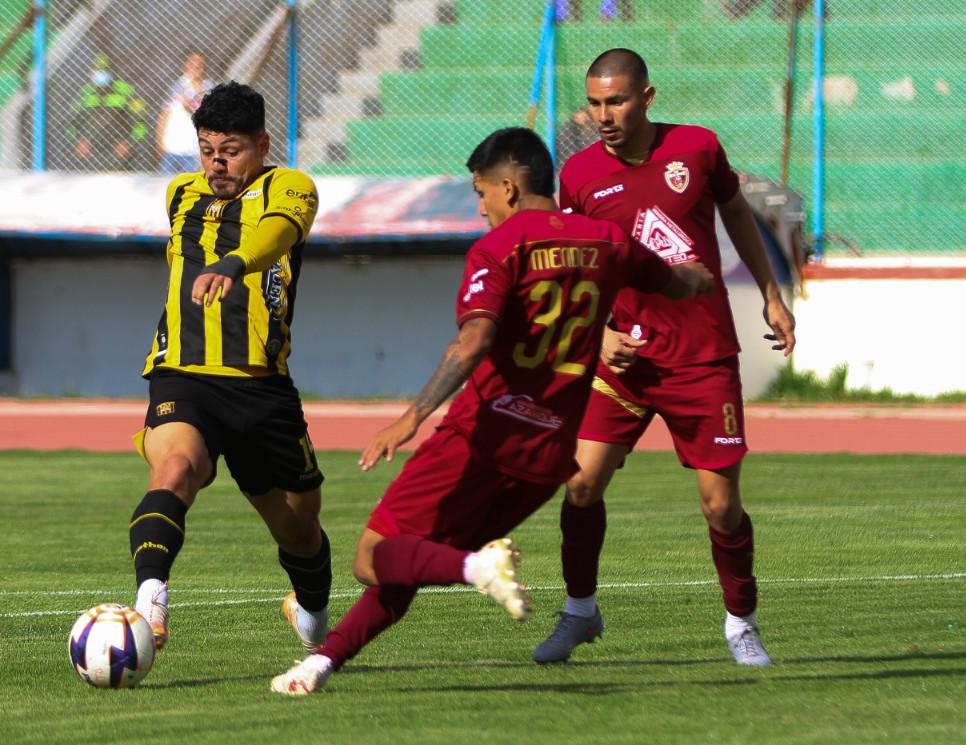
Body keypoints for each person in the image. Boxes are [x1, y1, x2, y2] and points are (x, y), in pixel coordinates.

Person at [269, 127, 714, 696]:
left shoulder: (502, 246)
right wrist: (703, 281)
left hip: (479, 438)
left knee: (372, 558)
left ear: (508, 186)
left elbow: (472, 342)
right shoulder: (609, 241)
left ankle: (478, 569)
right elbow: (676, 279)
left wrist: (413, 416)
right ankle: (318, 665)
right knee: (409, 564)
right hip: (545, 457)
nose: (480, 208)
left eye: (481, 194)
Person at [532, 48, 797, 667]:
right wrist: (595, 335)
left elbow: (735, 211)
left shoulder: (699, 148)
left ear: (647, 98)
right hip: (621, 361)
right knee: (580, 483)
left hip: (701, 358)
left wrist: (770, 293)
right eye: (595, 103)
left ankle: (741, 623)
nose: (604, 114)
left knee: (721, 505)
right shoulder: (578, 175)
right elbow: (573, 264)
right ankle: (579, 611)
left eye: (616, 101)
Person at [128, 81, 332, 658]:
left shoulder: (289, 188)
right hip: (182, 374)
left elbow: (278, 236)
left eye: (232, 149)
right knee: (175, 469)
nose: (217, 163)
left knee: (299, 530)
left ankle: (313, 611)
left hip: (262, 390)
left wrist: (234, 263)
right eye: (207, 148)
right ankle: (150, 603)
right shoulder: (179, 194)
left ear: (262, 143)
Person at [66, 54, 149, 171]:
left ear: (111, 72)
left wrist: (130, 143)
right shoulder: (86, 91)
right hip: (89, 150)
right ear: (91, 72)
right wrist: (78, 141)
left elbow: (141, 120)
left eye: (104, 70)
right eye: (97, 70)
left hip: (118, 150)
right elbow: (71, 120)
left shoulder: (125, 90)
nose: (100, 74)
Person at [156, 51, 214, 174]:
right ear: (185, 65)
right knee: (166, 187)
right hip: (172, 149)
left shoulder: (209, 88)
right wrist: (160, 142)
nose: (196, 66)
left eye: (200, 64)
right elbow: (164, 114)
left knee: (190, 189)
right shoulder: (177, 86)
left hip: (194, 151)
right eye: (192, 63)